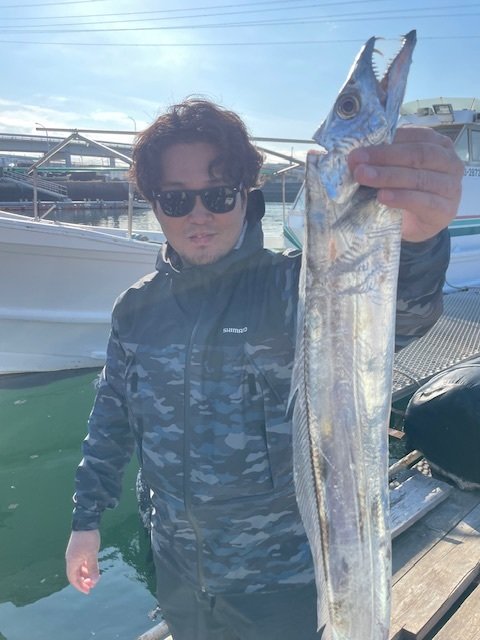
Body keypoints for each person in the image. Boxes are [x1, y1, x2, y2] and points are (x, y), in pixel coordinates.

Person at [65, 98, 463, 639]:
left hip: (282, 583)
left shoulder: (298, 289)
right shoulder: (135, 308)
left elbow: (400, 315)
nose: (199, 215)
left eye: (218, 194)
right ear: (155, 205)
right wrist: (86, 521)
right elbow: (110, 420)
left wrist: (420, 239)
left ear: (246, 195)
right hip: (177, 573)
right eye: (176, 199)